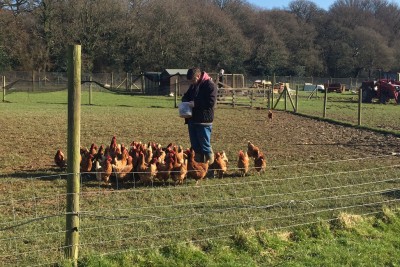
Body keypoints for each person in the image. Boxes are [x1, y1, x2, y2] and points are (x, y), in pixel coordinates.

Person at [182, 67, 217, 164]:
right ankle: (198, 167)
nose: (192, 82)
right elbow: (187, 95)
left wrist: (194, 103)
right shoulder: (194, 85)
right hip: (192, 119)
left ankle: (210, 168)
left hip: (204, 120)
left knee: (205, 146)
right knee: (195, 146)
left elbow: (211, 102)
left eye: (193, 80)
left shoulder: (210, 85)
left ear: (198, 76)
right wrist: (185, 101)